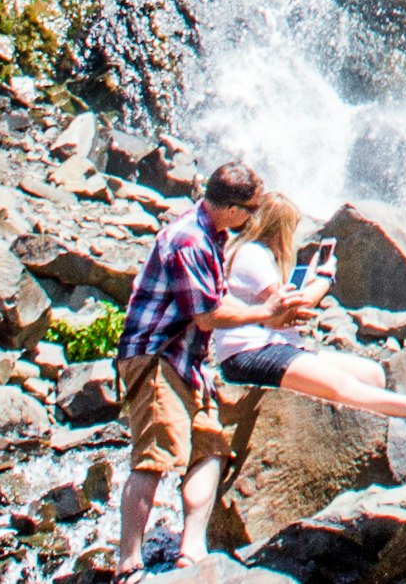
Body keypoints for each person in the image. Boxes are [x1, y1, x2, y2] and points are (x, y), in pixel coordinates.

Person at [210, 194, 406, 445]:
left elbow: (282, 304)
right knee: (339, 383)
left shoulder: (262, 257)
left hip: (278, 346)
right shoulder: (251, 254)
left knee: (373, 375)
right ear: (280, 227)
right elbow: (292, 307)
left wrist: (309, 280)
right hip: (250, 352)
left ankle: (383, 433)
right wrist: (324, 277)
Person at [113, 162, 264, 578]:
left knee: (210, 448)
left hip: (187, 363)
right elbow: (207, 314)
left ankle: (191, 551)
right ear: (231, 207)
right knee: (153, 458)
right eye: (250, 210)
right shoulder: (189, 239)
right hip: (157, 358)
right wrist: (266, 312)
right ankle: (128, 562)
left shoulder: (211, 237)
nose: (251, 218)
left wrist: (265, 311)